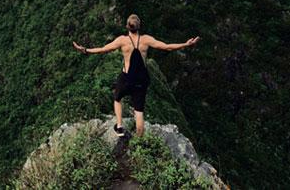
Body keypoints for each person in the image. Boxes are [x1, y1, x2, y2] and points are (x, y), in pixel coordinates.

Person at [72, 14, 200, 137]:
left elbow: (103, 49)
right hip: (141, 79)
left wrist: (85, 50)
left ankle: (120, 125)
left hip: (126, 78)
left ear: (127, 27)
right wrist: (185, 44)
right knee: (139, 110)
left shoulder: (122, 40)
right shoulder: (146, 40)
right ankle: (139, 138)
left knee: (117, 98)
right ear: (139, 27)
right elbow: (167, 47)